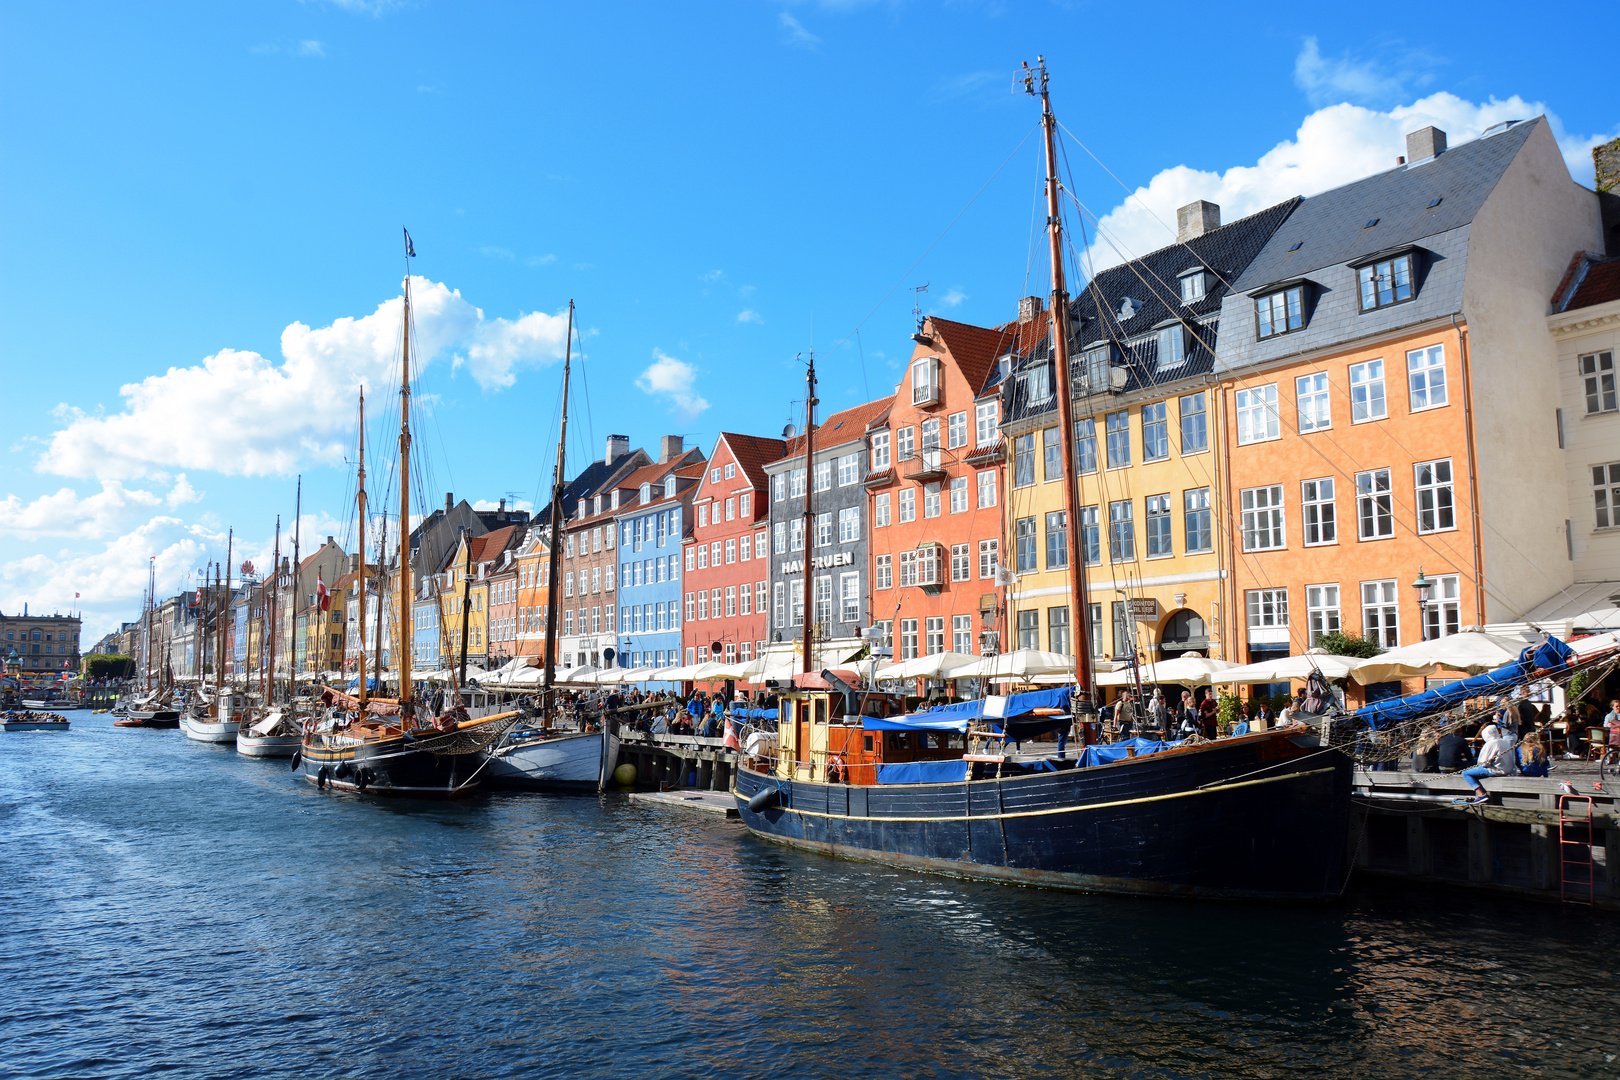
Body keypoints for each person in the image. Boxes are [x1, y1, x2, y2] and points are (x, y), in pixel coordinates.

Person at [1460, 722, 1517, 804]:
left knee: (1465, 773)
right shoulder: (1504, 741)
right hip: (1507, 769)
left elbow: (1484, 763)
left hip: (1496, 770)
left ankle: (1481, 795)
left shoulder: (1491, 743)